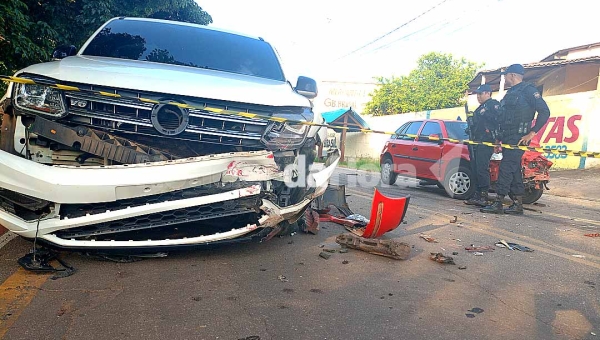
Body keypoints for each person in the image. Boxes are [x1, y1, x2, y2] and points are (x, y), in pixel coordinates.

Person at [481, 64, 550, 215]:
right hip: (507, 137)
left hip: (519, 138)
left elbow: (544, 112)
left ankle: (498, 202)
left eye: (506, 75)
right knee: (514, 170)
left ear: (512, 75)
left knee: (506, 168)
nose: (505, 78)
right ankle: (517, 204)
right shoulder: (510, 93)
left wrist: (531, 133)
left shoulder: (528, 91)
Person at [464, 84, 500, 207]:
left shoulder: (493, 105)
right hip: (476, 141)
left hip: (486, 142)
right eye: (477, 94)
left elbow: (497, 121)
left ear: (488, 93)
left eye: (481, 94)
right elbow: (476, 125)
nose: (478, 96)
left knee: (482, 169)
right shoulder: (480, 108)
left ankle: (484, 195)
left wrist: (496, 141)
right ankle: (477, 194)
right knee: (475, 169)